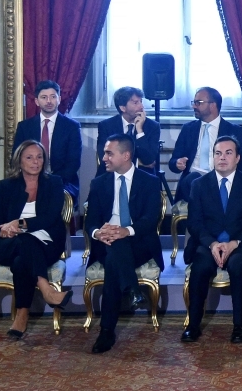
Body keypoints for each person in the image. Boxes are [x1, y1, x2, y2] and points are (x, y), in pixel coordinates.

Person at [85, 134, 164, 354]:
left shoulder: (149, 181)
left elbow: (150, 220)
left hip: (138, 242)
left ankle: (107, 331)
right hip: (106, 241)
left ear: (126, 155)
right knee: (114, 251)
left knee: (115, 255)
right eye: (104, 153)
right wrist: (98, 233)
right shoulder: (98, 183)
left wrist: (124, 231)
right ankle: (132, 290)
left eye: (109, 153)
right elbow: (90, 221)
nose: (104, 158)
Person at [183, 136, 242, 344]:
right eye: (218, 153)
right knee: (200, 266)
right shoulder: (199, 185)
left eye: (228, 153)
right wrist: (213, 244)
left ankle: (239, 326)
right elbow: (195, 223)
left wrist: (233, 243)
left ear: (237, 158)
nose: (222, 158)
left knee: (238, 265)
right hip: (208, 243)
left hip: (240, 244)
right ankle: (193, 326)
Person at [0, 141, 72, 339]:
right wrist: (4, 232)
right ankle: (47, 290)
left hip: (47, 243)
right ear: (19, 161)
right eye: (29, 157)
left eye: (39, 157)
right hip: (9, 245)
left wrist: (19, 225)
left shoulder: (54, 183)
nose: (36, 162)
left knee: (22, 258)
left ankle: (22, 314)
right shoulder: (6, 186)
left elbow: (50, 217)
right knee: (25, 242)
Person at [168, 87, 242, 203]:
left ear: (213, 105)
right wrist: (177, 163)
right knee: (193, 179)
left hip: (221, 180)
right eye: (194, 102)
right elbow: (172, 163)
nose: (194, 106)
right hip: (191, 183)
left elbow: (241, 164)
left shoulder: (234, 131)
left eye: (198, 103)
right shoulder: (188, 129)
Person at [12, 80, 82, 203]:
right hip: (29, 178)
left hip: (62, 181)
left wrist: (51, 182)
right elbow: (16, 157)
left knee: (52, 195)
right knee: (10, 191)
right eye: (44, 97)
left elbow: (73, 163)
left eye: (53, 97)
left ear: (59, 99)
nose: (49, 101)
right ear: (36, 101)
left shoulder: (72, 127)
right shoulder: (25, 126)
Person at [96, 87, 161, 176]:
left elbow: (148, 159)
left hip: (142, 177)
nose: (141, 106)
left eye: (141, 101)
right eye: (135, 102)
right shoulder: (106, 126)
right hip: (111, 175)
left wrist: (140, 130)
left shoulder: (153, 126)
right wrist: (138, 162)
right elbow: (105, 157)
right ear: (123, 108)